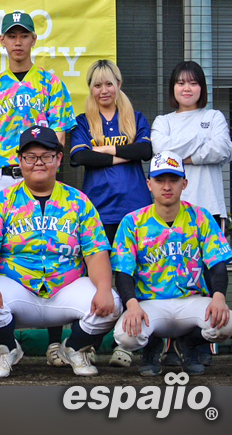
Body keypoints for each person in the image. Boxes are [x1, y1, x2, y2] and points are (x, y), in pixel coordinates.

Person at [0, 126, 121, 378]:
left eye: (46, 156)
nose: (38, 162)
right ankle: (7, 349)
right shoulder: (2, 201)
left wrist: (104, 289)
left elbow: (96, 253)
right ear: (19, 161)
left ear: (58, 160)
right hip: (17, 289)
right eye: (30, 157)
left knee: (112, 302)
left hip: (65, 290)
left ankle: (73, 349)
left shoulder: (78, 201)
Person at [0, 11, 76, 364]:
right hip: (2, 175)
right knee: (2, 255)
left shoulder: (50, 82)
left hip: (43, 174)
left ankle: (56, 342)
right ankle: (5, 342)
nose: (17, 41)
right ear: (1, 41)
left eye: (23, 35)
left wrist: (54, 175)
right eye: (11, 35)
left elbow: (60, 134)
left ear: (33, 39)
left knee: (52, 247)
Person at [112, 151, 232, 376]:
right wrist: (132, 304)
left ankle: (189, 343)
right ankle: (152, 346)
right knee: (125, 336)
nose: (167, 186)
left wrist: (218, 297)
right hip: (150, 304)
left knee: (226, 323)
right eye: (160, 180)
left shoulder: (201, 217)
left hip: (192, 301)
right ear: (149, 184)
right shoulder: (133, 221)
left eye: (173, 180)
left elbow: (216, 264)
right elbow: (123, 271)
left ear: (184, 183)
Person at [69, 59, 153, 367]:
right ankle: (88, 344)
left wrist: (104, 151)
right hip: (98, 210)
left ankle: (128, 345)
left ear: (118, 85)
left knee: (136, 275)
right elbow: (79, 158)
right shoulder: (82, 121)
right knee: (97, 279)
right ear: (90, 89)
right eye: (97, 85)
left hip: (136, 209)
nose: (104, 90)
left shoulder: (135, 117)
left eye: (109, 83)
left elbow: (144, 152)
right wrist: (121, 153)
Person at [151, 60, 232, 367]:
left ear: (202, 88)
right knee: (170, 278)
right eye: (181, 83)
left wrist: (178, 155)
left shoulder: (214, 116)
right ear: (173, 88)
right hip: (170, 213)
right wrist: (199, 145)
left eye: (193, 83)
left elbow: (222, 150)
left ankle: (198, 344)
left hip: (209, 208)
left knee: (212, 280)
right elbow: (161, 152)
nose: (187, 88)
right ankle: (169, 348)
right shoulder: (163, 121)